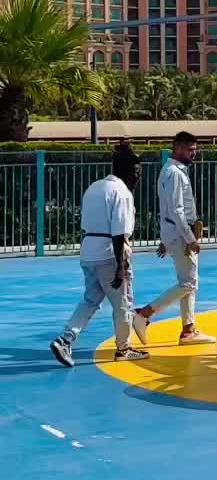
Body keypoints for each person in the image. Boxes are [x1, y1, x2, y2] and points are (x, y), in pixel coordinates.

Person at [51, 142, 148, 367]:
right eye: (136, 172)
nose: (138, 178)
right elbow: (118, 234)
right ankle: (123, 348)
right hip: (108, 254)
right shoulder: (122, 193)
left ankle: (65, 339)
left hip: (88, 251)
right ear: (125, 171)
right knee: (123, 302)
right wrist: (120, 267)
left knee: (90, 300)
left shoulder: (95, 187)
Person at [132, 131, 215, 346]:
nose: (193, 154)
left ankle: (188, 330)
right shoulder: (175, 173)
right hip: (180, 234)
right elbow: (176, 210)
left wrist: (167, 238)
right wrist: (190, 238)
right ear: (178, 148)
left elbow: (167, 209)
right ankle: (144, 314)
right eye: (190, 150)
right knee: (188, 283)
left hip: (175, 233)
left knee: (188, 282)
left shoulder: (171, 171)